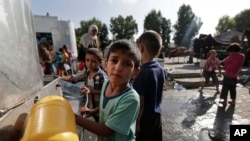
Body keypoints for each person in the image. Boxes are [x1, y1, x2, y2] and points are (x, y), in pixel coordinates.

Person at [75, 39, 141, 141]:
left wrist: (75, 118)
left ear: (135, 72)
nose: (118, 67)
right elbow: (106, 107)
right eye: (114, 60)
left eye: (127, 64)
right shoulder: (106, 84)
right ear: (106, 65)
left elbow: (106, 131)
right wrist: (93, 111)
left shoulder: (131, 99)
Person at [133, 30, 166, 141]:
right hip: (157, 117)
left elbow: (140, 105)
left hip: (144, 120)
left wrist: (137, 124)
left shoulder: (141, 73)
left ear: (141, 48)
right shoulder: (160, 69)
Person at [61, 48, 107, 122]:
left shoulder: (101, 76)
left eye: (93, 61)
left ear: (100, 62)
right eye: (87, 60)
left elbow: (105, 92)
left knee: (100, 121)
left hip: (99, 107)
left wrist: (91, 91)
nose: (89, 63)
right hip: (90, 104)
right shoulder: (88, 72)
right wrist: (62, 78)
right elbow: (75, 78)